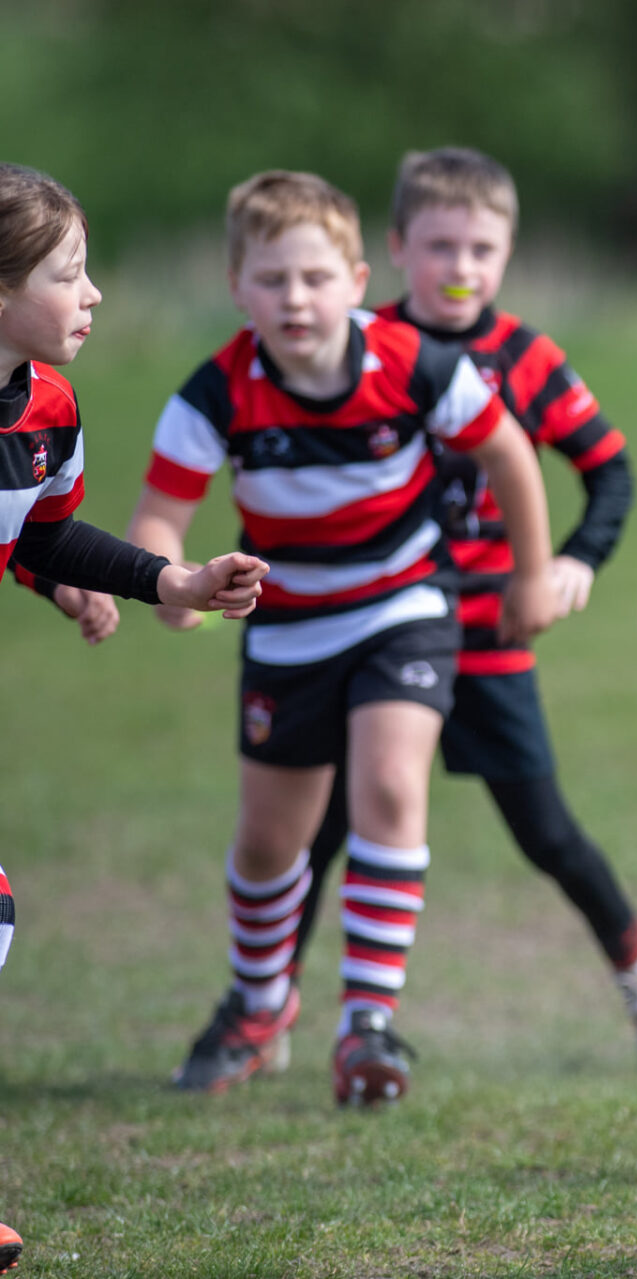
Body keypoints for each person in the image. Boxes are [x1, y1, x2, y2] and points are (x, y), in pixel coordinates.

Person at [128, 170, 558, 1105]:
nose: (296, 299)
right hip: (285, 627)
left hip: (404, 604)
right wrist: (175, 583)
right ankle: (257, 1003)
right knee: (268, 843)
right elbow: (159, 515)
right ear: (237, 287)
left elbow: (507, 451)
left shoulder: (410, 361)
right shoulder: (215, 392)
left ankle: (368, 1023)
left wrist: (531, 571)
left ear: (358, 281)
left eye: (316, 278)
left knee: (392, 786)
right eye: (272, 279)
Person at [278, 148, 637, 1077]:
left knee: (545, 831)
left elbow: (611, 471)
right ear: (397, 248)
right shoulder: (357, 344)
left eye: (482, 248)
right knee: (323, 827)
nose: (460, 266)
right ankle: (265, 1011)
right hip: (372, 631)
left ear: (508, 252)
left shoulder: (528, 358)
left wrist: (569, 564)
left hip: (487, 638)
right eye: (440, 246)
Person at [2, 163, 269, 978]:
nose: (95, 295)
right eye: (69, 275)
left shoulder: (49, 409)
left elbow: (45, 536)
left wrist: (176, 581)